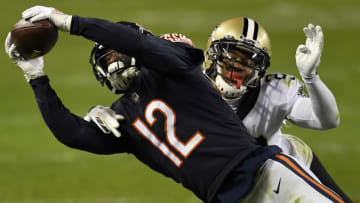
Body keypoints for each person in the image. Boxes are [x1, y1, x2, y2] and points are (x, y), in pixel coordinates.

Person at [5, 5, 345, 202]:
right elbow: (73, 135)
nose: (114, 62)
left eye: (117, 52)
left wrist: (70, 23)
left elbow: (144, 46)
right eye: (107, 59)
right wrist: (35, 77)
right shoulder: (122, 117)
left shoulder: (173, 65)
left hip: (265, 176)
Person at [202, 17, 351, 202]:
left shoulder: (273, 90)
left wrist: (311, 77)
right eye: (231, 58)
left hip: (293, 167)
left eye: (248, 62)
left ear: (259, 69)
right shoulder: (195, 95)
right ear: (213, 55)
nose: (238, 66)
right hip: (248, 193)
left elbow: (328, 120)